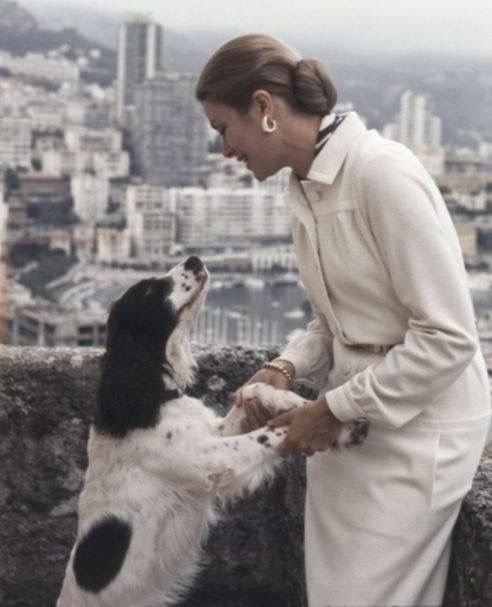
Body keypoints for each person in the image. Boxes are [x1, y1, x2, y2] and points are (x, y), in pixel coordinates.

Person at [195, 34, 491, 607]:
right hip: (354, 420)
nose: (224, 148)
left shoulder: (382, 175)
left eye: (221, 127)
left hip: (419, 427)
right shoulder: (307, 184)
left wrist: (332, 409)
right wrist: (283, 368)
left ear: (264, 107)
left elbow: (450, 336)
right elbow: (338, 323)